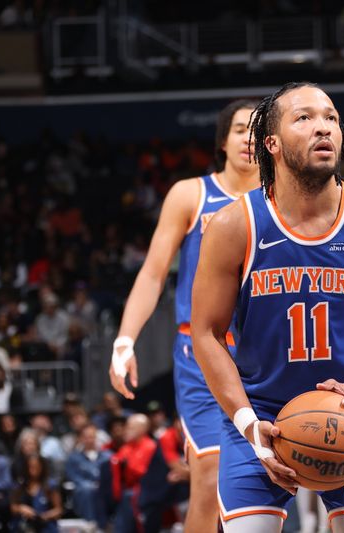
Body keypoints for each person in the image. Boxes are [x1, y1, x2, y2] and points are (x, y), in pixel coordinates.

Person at [189, 82, 344, 533]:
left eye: (331, 118)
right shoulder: (232, 226)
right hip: (259, 413)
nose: (323, 127)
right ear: (270, 143)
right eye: (305, 118)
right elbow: (205, 333)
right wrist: (245, 423)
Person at [108, 99, 260, 533]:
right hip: (204, 353)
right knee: (210, 478)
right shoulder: (192, 193)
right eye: (238, 129)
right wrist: (124, 341)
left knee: (263, 486)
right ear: (222, 140)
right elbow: (154, 273)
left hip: (262, 355)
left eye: (256, 131)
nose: (248, 139)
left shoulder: (280, 199)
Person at [65, 423, 110, 527]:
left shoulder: (107, 456)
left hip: (104, 488)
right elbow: (73, 476)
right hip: (84, 488)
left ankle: (107, 523)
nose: (90, 440)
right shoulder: (73, 458)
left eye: (92, 436)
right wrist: (90, 484)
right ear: (81, 438)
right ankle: (90, 523)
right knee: (87, 489)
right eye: (86, 437)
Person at [10, 454, 62, 533]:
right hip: (23, 524)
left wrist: (43, 516)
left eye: (37, 467)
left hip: (45, 524)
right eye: (31, 467)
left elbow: (58, 510)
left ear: (42, 467)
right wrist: (21, 508)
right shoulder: (20, 485)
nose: (33, 470)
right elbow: (13, 507)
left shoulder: (50, 485)